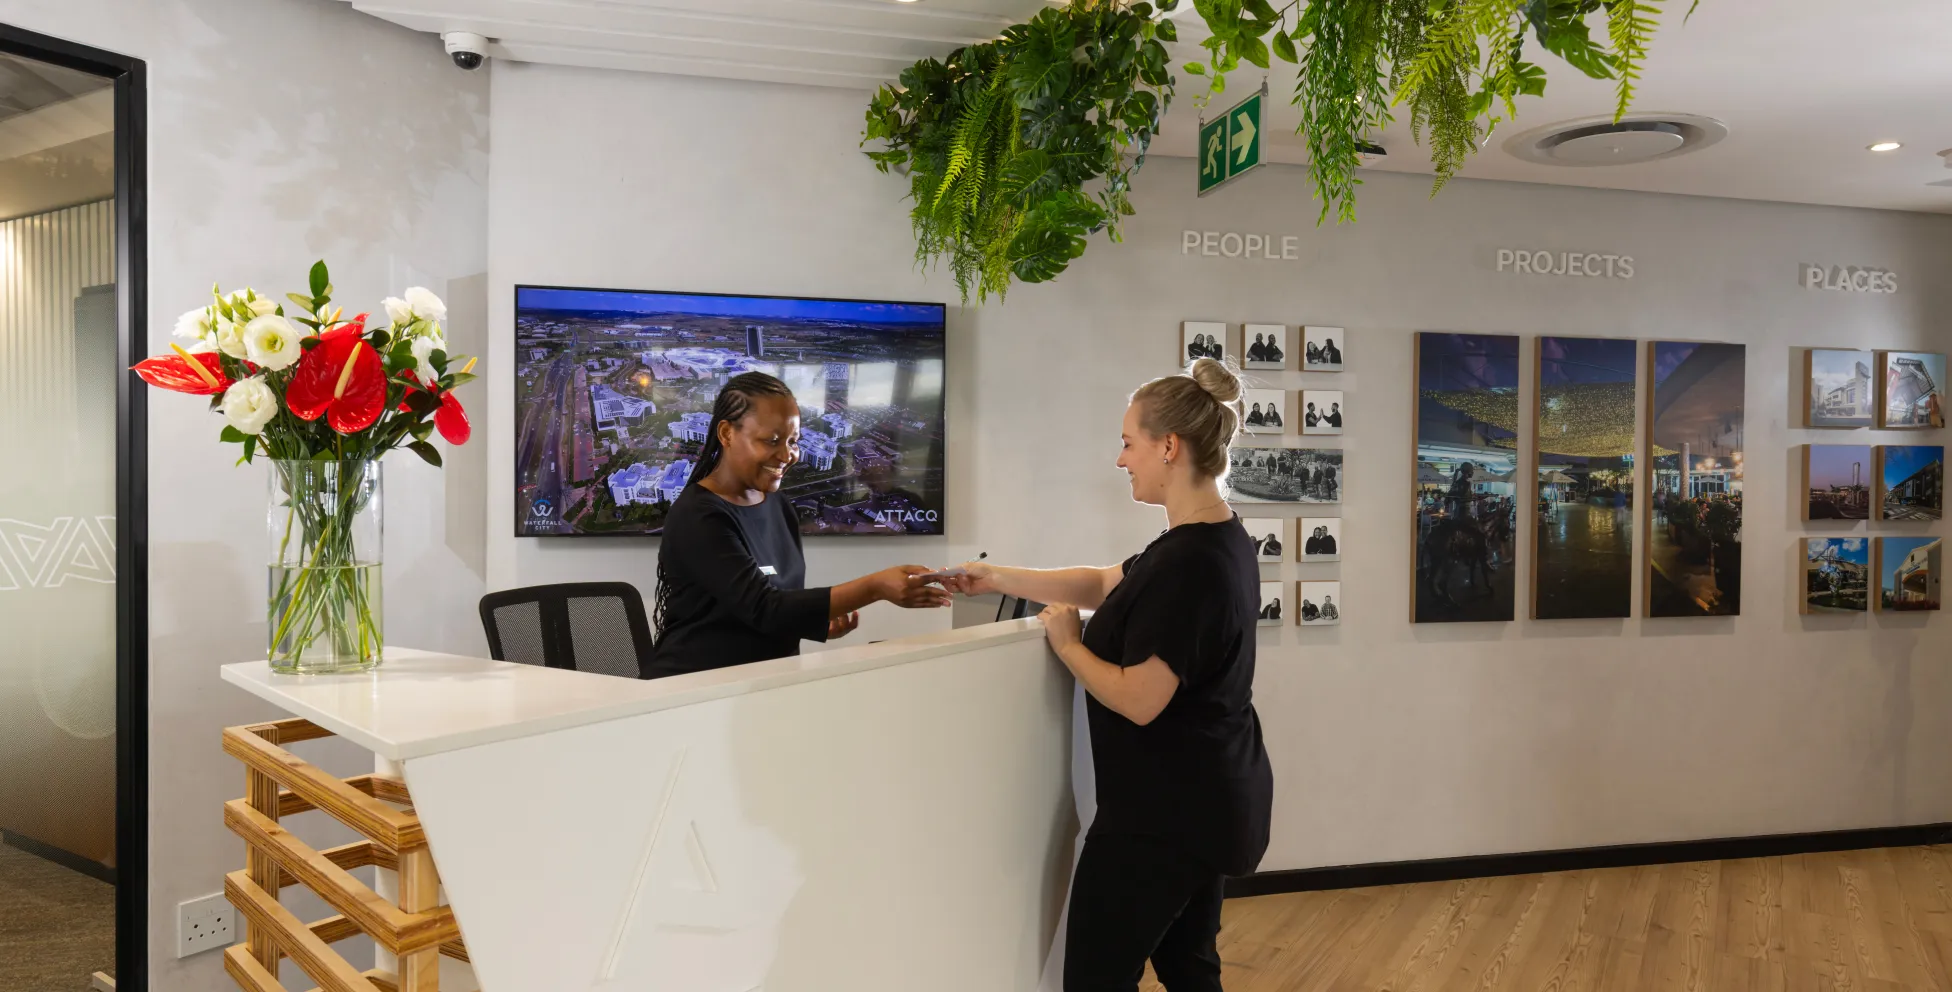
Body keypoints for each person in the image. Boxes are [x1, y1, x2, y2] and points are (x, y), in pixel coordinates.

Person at [937, 358, 1272, 992]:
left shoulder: (1190, 563)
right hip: (1206, 798)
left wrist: (1069, 645)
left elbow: (1141, 698)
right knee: (1189, 968)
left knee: (1097, 979)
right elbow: (1100, 582)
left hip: (1165, 817)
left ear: (1168, 446)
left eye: (1128, 442)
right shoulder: (1211, 538)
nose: (1121, 460)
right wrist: (996, 577)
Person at [644, 372, 950, 679]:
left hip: (766, 683)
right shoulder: (698, 515)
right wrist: (875, 587)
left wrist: (811, 620)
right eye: (772, 440)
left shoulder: (777, 504)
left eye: (793, 441)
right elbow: (764, 608)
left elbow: (776, 598)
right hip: (695, 689)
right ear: (727, 433)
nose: (787, 455)